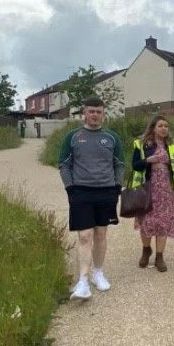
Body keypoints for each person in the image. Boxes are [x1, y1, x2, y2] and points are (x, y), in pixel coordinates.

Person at [58, 97, 126, 300]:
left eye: (98, 111)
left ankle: (98, 272)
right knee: (84, 236)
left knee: (100, 235)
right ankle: (83, 281)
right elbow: (64, 164)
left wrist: (116, 187)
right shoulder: (73, 137)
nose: (94, 115)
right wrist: (70, 188)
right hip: (81, 192)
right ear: (84, 114)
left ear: (103, 114)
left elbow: (120, 164)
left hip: (106, 192)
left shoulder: (112, 138)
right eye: (91, 111)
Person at [129, 115, 174, 272]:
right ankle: (146, 249)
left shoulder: (172, 145)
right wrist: (149, 160)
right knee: (146, 221)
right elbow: (135, 165)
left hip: (166, 190)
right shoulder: (141, 144)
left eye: (166, 126)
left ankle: (159, 256)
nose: (164, 128)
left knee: (163, 223)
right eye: (160, 126)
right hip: (147, 189)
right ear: (153, 127)